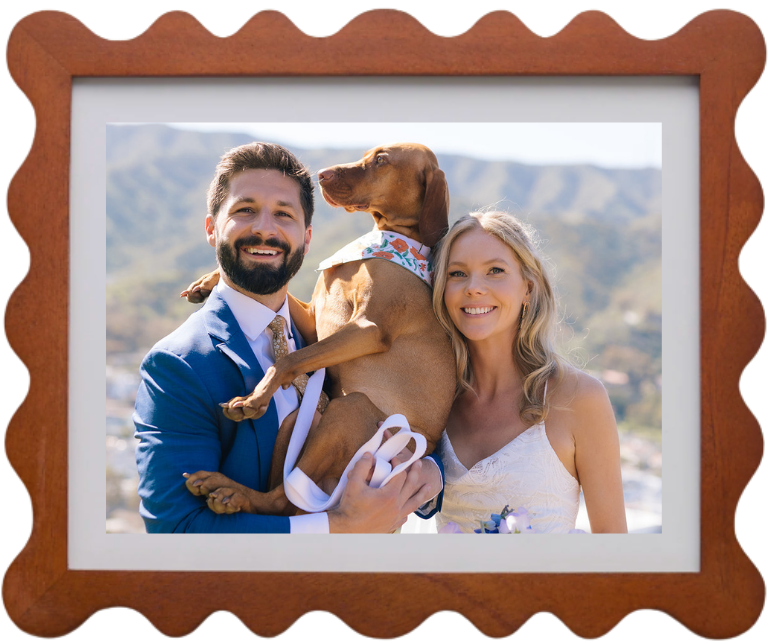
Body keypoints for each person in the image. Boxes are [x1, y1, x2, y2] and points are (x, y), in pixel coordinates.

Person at [134, 142, 441, 533]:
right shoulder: (178, 366)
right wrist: (338, 527)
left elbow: (420, 404)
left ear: (306, 237)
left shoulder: (324, 332)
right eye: (245, 211)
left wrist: (431, 472)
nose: (265, 228)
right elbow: (176, 531)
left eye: (283, 214)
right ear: (212, 229)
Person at [430, 211, 628, 533]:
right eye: (457, 273)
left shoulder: (580, 399)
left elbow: (618, 555)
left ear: (528, 288)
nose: (474, 288)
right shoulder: (435, 400)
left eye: (495, 271)